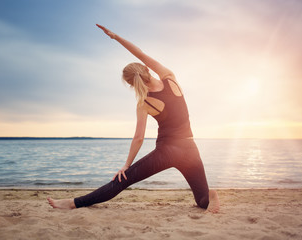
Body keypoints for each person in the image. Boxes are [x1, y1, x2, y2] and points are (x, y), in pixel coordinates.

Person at [47, 24, 220, 213]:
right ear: (146, 69)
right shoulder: (170, 78)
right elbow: (141, 54)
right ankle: (211, 196)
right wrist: (116, 37)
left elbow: (138, 138)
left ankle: (72, 203)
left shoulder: (144, 103)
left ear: (131, 84)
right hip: (190, 149)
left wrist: (126, 165)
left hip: (167, 151)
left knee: (123, 180)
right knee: (202, 200)